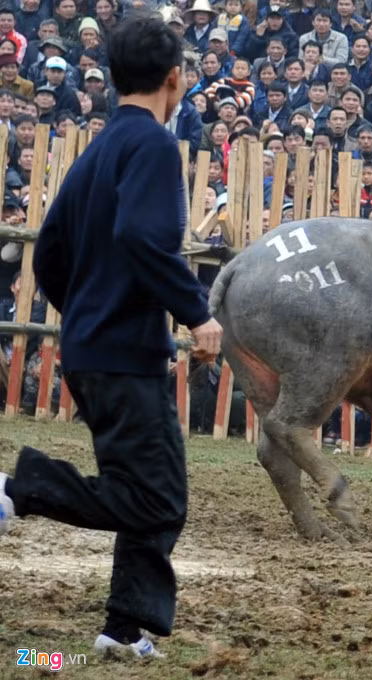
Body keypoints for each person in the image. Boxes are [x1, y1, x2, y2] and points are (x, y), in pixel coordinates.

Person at [0, 17, 223, 657]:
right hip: (126, 356)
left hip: (95, 350)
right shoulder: (153, 146)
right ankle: (17, 492)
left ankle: (124, 632)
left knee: (147, 489)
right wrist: (196, 311)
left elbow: (51, 255)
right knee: (158, 499)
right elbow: (142, 240)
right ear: (175, 79)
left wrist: (86, 315)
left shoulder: (98, 150)